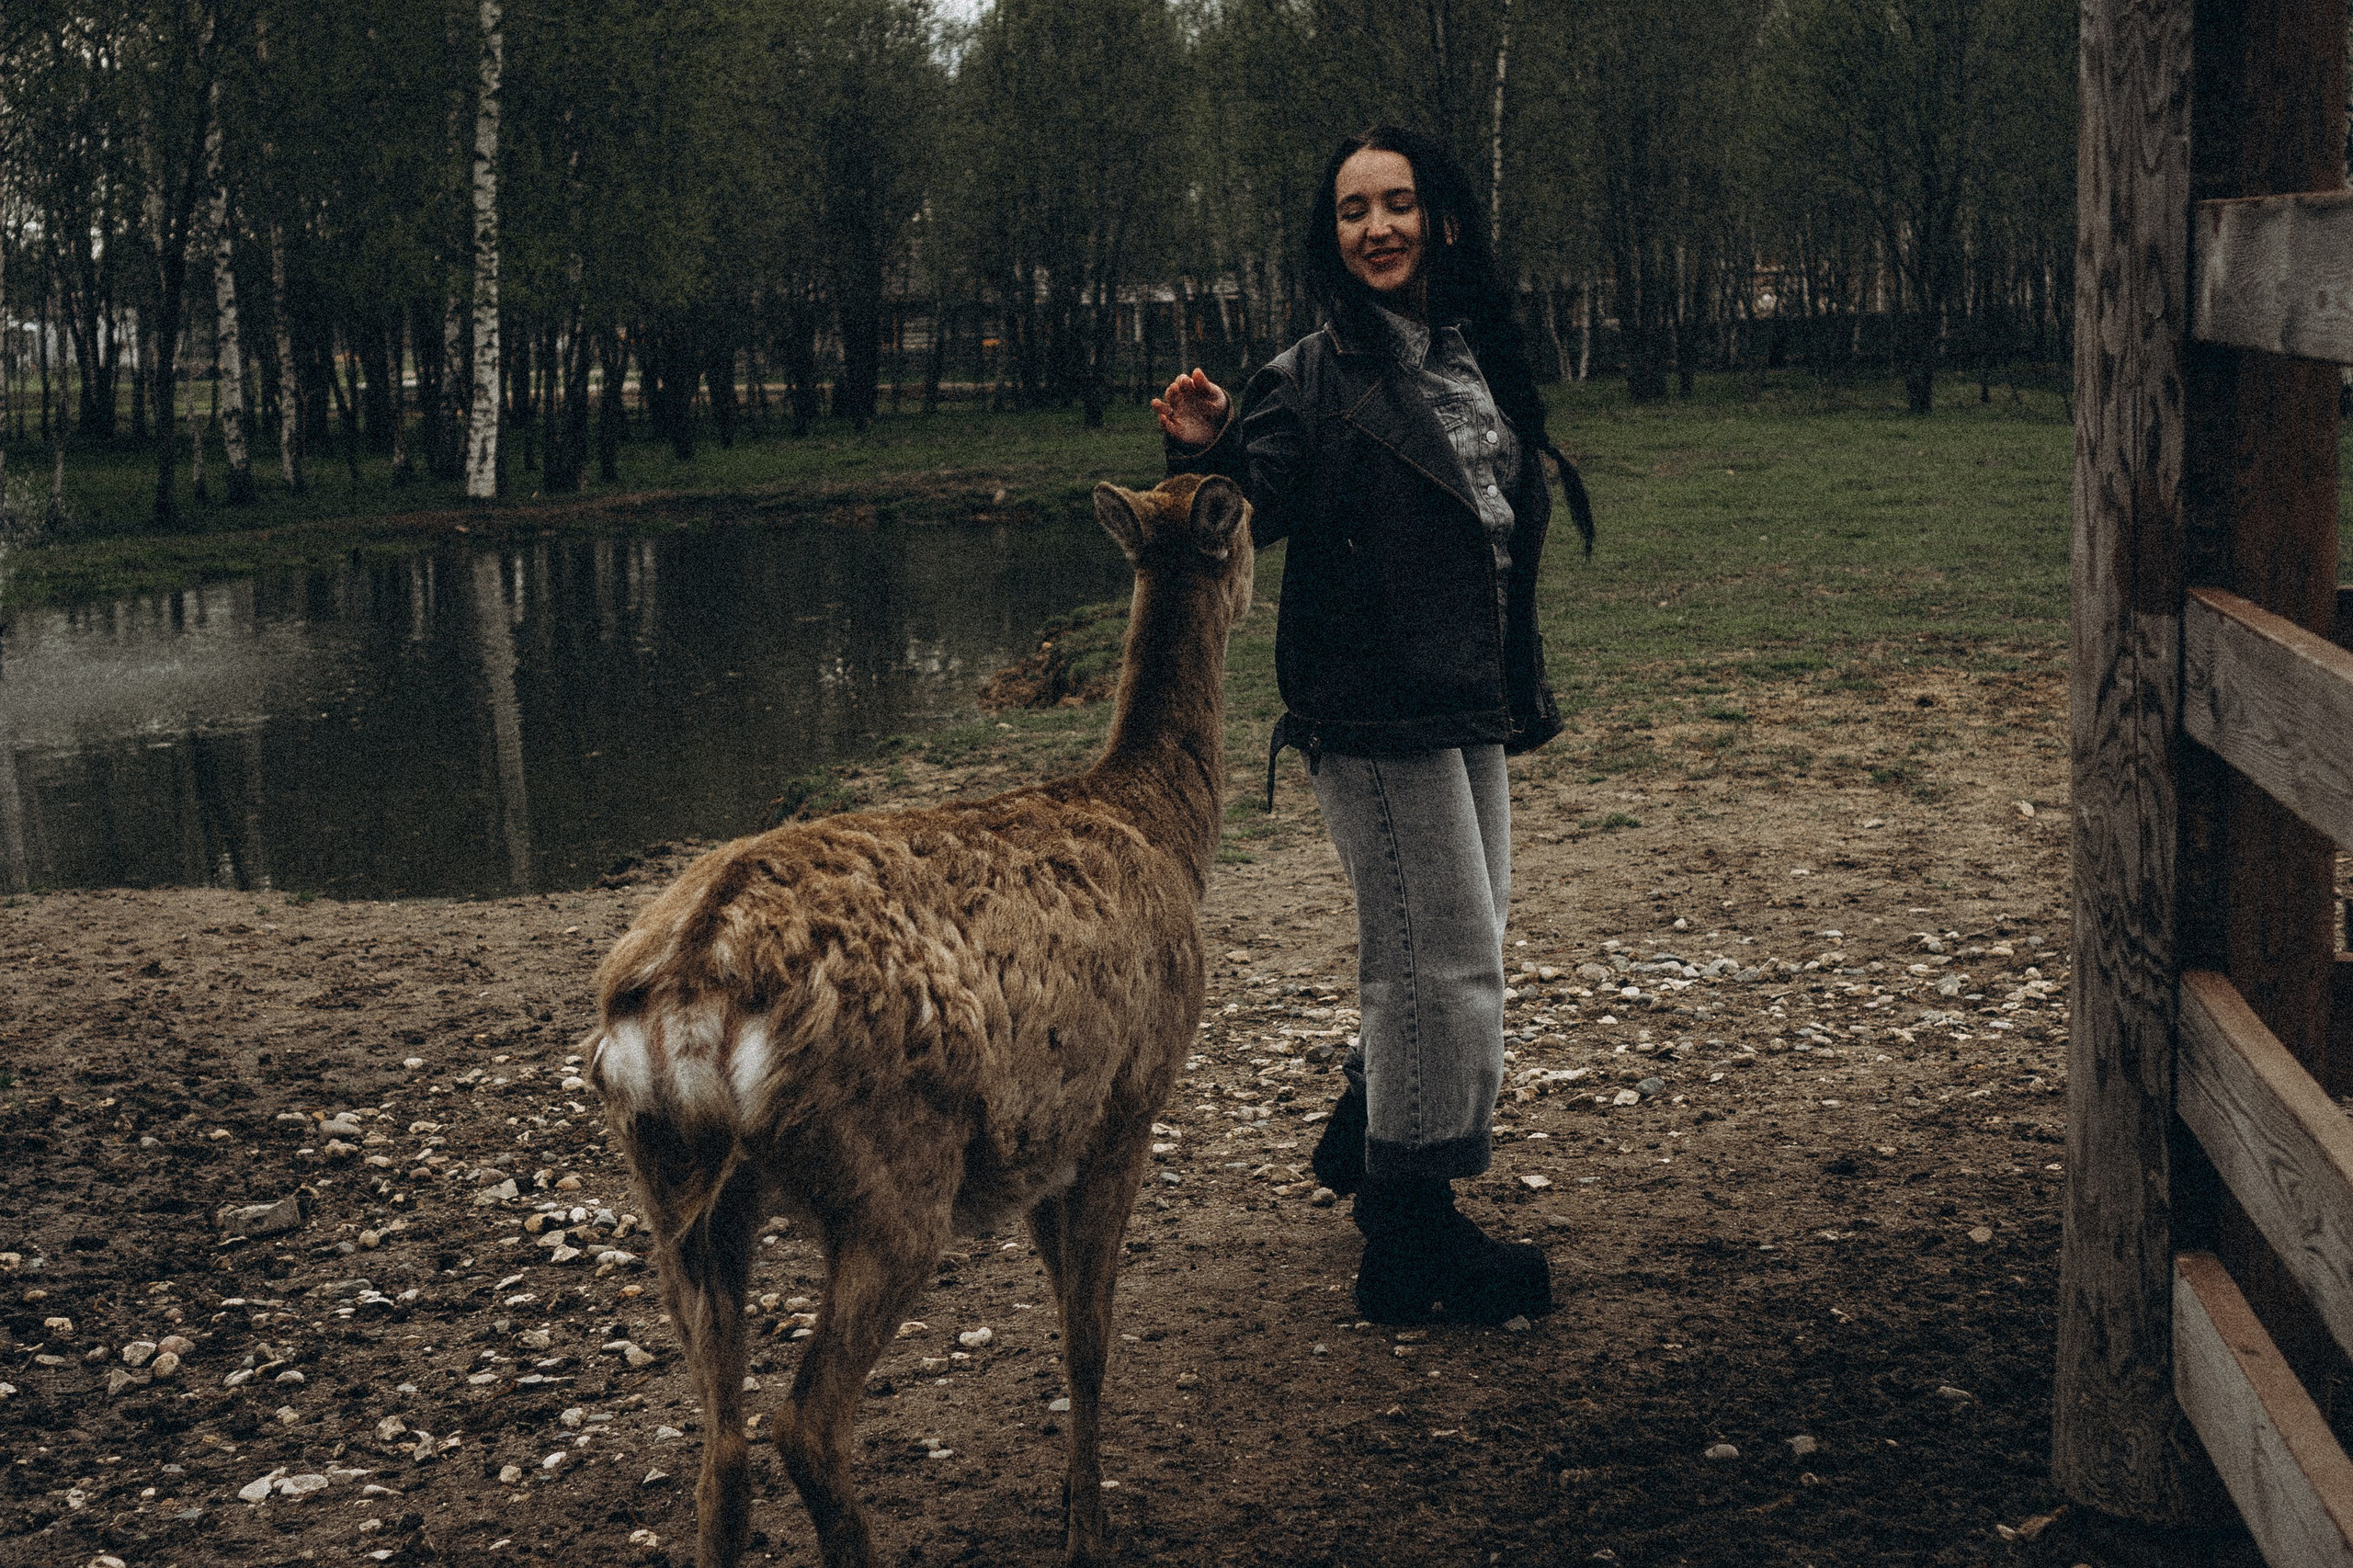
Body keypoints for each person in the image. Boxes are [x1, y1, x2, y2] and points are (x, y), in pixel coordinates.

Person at [1156, 125, 1591, 1326]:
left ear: (1440, 219)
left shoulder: (1471, 354)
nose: (1378, 228)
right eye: (1354, 211)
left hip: (1464, 693)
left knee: (1467, 937)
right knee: (1434, 957)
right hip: (1372, 704)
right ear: (1332, 235)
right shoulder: (1311, 375)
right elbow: (1255, 504)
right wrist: (1208, 450)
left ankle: (1369, 1115)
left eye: (1397, 204)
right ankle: (1408, 1235)